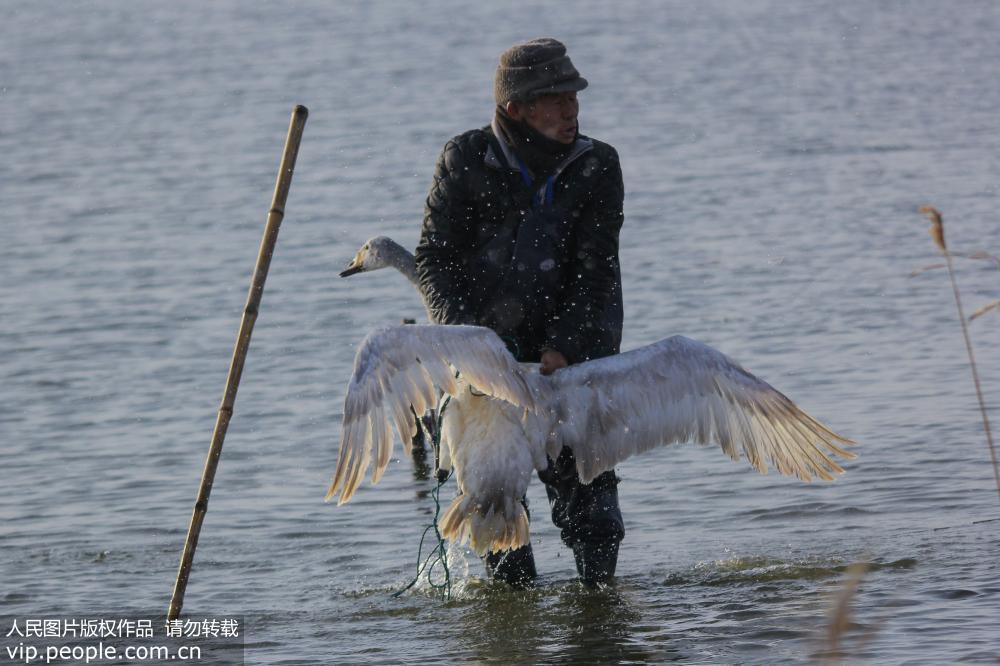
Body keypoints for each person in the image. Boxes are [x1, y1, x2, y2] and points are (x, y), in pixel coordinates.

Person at [415, 37, 625, 587]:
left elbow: (598, 271)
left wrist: (569, 346)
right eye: (555, 99)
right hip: (485, 376)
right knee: (496, 516)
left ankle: (599, 613)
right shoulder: (465, 159)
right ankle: (513, 607)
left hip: (569, 365)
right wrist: (472, 345)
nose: (571, 109)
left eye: (573, 95)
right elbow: (435, 261)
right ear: (517, 110)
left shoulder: (597, 165)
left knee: (595, 517)